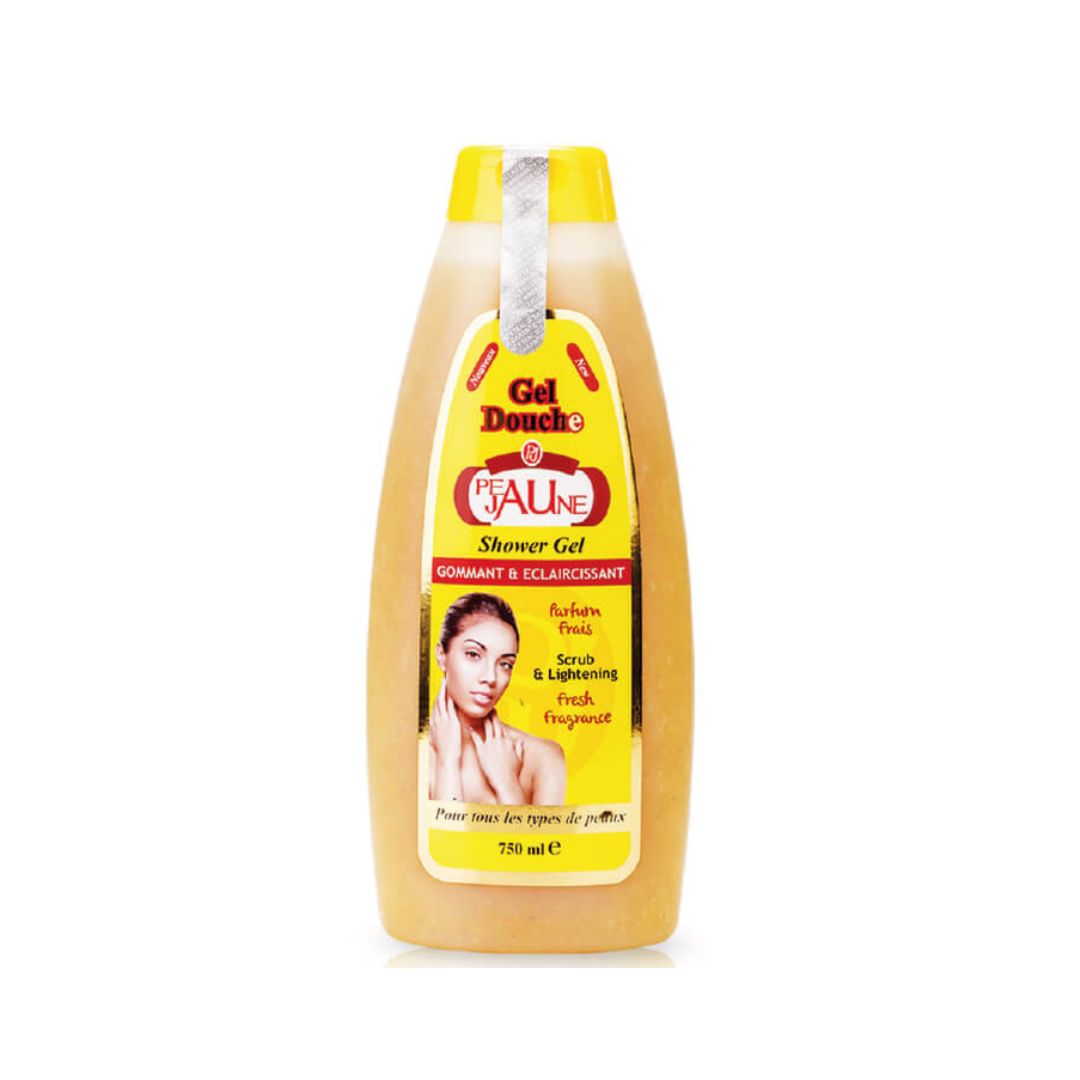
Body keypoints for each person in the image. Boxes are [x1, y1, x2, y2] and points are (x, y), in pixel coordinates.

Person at [428, 592, 566, 805]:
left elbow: (541, 832)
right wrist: (447, 761)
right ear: (441, 655)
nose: (491, 677)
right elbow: (441, 828)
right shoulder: (415, 753)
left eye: (505, 664)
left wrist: (507, 784)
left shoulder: (543, 757)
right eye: (473, 654)